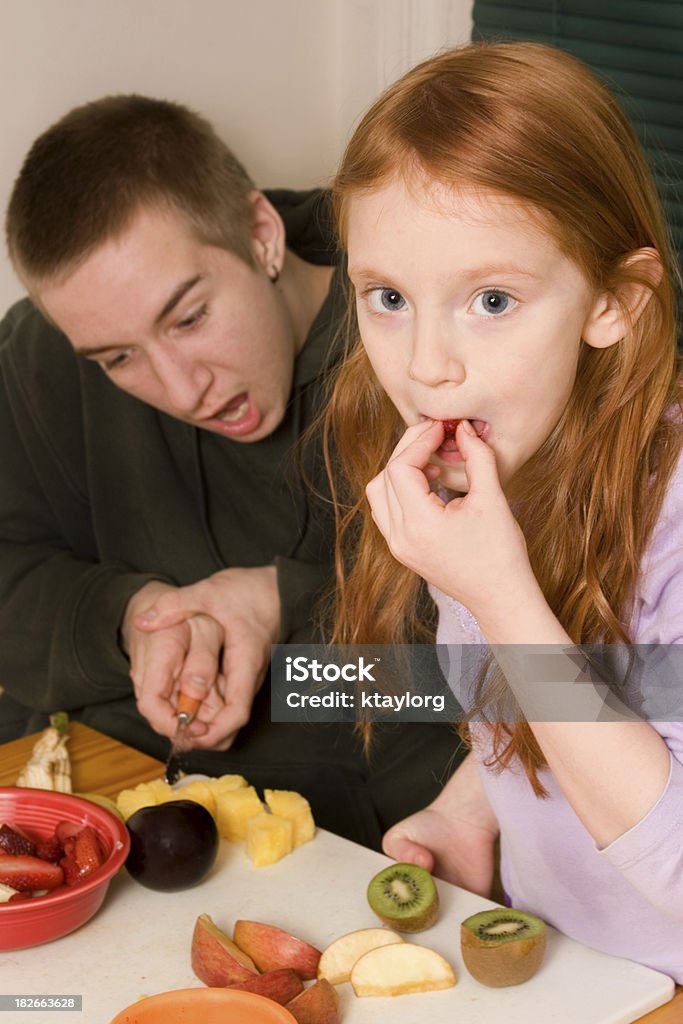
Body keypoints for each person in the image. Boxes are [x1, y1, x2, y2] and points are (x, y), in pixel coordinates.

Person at [0, 94, 463, 847]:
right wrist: (132, 620)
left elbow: (564, 681)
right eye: (118, 359)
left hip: (398, 840)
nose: (184, 390)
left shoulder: (435, 330)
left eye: (188, 319)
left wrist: (287, 615)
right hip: (111, 800)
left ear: (261, 235)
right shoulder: (43, 349)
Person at [325, 41, 683, 979]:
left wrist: (503, 596)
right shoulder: (493, 464)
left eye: (491, 299)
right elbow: (568, 716)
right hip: (563, 972)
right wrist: (468, 808)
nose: (425, 364)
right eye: (389, 297)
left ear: (614, 300)